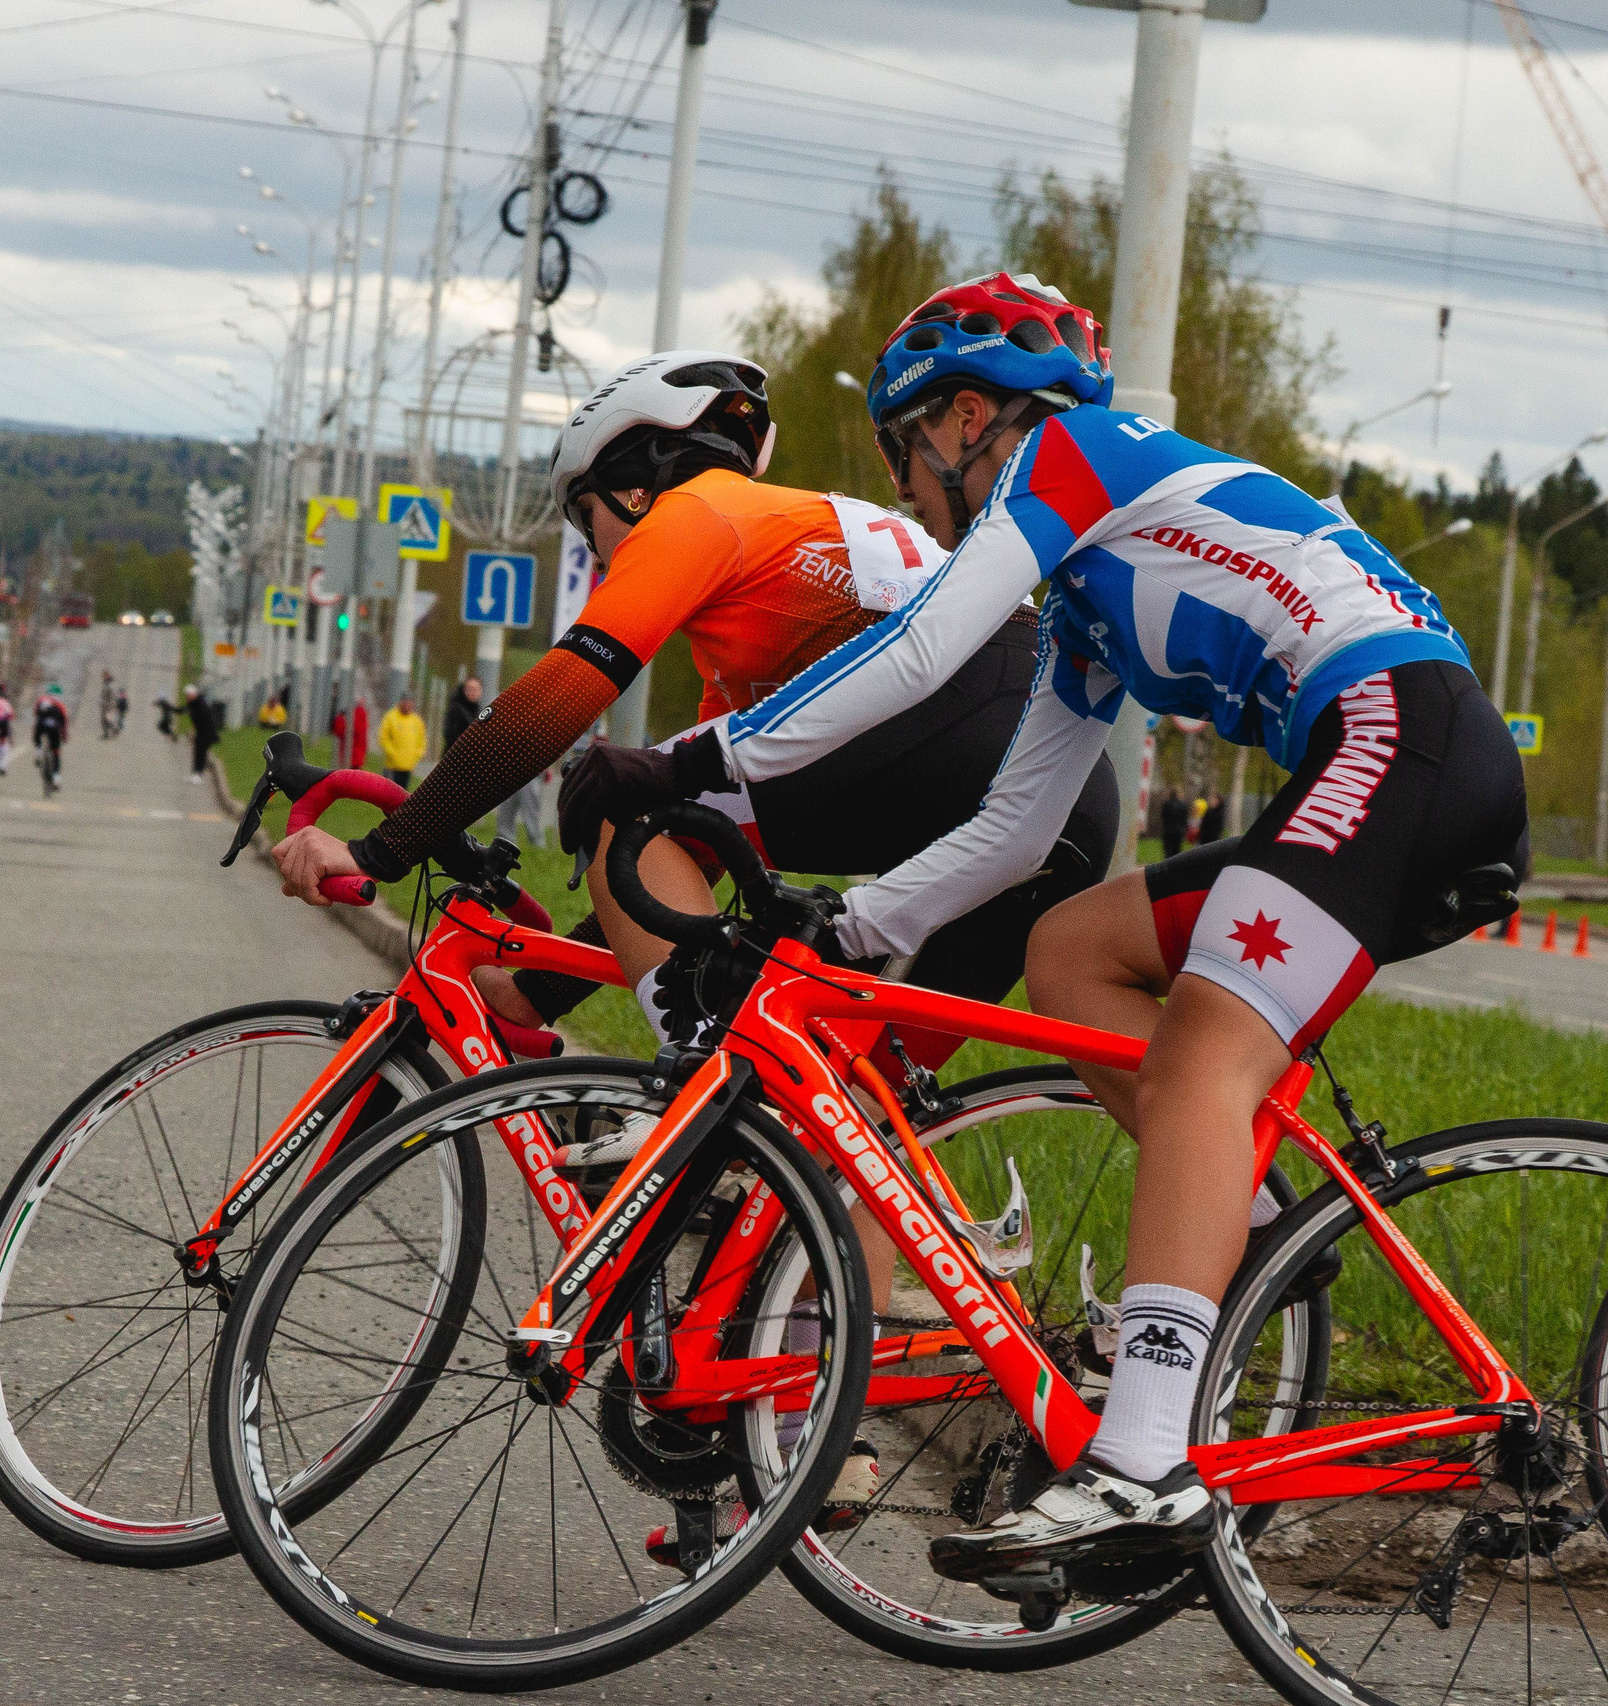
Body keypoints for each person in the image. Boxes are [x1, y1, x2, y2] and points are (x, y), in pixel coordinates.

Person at [527, 275, 1527, 1577]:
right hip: (1383, 757)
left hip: (1404, 741)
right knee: (1072, 951)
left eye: (908, 450)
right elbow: (1009, 831)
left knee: (1207, 1055)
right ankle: (1249, 1215)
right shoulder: (1088, 605)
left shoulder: (1076, 454)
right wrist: (851, 935)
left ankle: (1143, 1460)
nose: (918, 487)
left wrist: (694, 764)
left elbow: (923, 651)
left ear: (964, 417)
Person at [265, 341, 1117, 1118]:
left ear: (632, 484)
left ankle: (701, 1104)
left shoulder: (697, 511)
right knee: (847, 1123)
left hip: (965, 738)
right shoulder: (799, 554)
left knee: (618, 804)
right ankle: (829, 1282)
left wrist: (383, 849)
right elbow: (686, 854)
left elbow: (556, 700)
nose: (596, 552)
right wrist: (534, 991)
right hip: (1069, 792)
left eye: (584, 518)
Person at [378, 694, 427, 787]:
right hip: (393, 765)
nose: (407, 706)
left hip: (408, 765)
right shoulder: (391, 717)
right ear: (401, 703)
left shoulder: (416, 720)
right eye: (405, 703)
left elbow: (422, 739)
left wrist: (418, 753)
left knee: (403, 792)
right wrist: (391, 752)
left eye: (409, 703)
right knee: (389, 790)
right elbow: (383, 737)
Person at [32, 682, 69, 792]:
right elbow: (64, 722)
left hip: (41, 725)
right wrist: (64, 736)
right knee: (56, 752)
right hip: (54, 728)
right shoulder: (60, 705)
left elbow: (36, 713)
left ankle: (38, 753)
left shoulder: (41, 700)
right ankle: (56, 780)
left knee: (37, 735)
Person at [183, 682, 224, 777]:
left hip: (206, 732)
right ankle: (196, 772)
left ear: (193, 694)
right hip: (201, 732)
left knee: (201, 752)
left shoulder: (200, 703)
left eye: (188, 696)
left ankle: (198, 772)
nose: (187, 698)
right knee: (198, 751)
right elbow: (184, 710)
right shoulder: (193, 703)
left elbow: (202, 717)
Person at [443, 676, 483, 752]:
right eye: (470, 689)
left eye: (476, 689)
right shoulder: (456, 709)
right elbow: (450, 735)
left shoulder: (481, 712)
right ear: (464, 690)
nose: (473, 692)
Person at [1158, 787, 1190, 861]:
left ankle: (1167, 866)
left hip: (1168, 830)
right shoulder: (1183, 805)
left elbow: (1163, 817)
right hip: (1179, 831)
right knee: (1177, 851)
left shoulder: (1166, 804)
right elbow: (1185, 819)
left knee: (1168, 851)